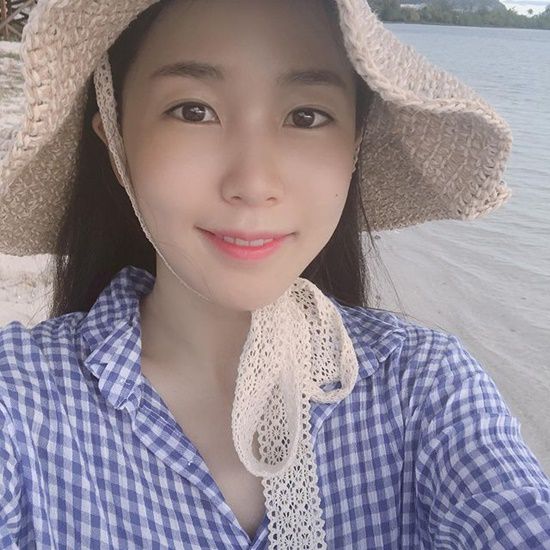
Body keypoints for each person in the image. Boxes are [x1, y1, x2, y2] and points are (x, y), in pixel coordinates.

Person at [0, 0, 549, 548]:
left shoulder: (427, 389)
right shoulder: (21, 402)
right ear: (116, 140)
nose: (254, 183)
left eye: (306, 116)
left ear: (354, 149)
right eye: (194, 111)